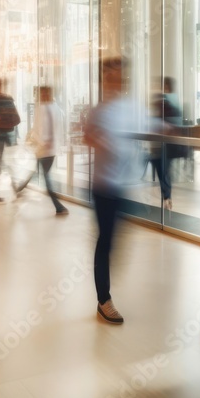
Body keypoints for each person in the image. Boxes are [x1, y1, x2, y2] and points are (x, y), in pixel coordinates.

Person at [84, 57, 141, 324]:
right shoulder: (99, 110)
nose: (117, 81)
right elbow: (88, 135)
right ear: (104, 79)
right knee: (105, 242)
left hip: (123, 185)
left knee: (112, 242)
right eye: (112, 76)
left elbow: (146, 128)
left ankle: (104, 290)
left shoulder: (128, 107)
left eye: (120, 76)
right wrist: (102, 139)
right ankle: (103, 300)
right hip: (103, 186)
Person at [16, 86, 68, 215]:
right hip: (43, 148)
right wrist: (41, 143)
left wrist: (55, 144)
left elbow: (57, 128)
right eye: (42, 94)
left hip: (50, 149)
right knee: (45, 175)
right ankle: (58, 206)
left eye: (46, 93)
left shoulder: (54, 109)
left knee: (40, 171)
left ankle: (20, 187)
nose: (44, 96)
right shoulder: (42, 108)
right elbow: (36, 128)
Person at [149, 77, 183, 210]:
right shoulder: (159, 101)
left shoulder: (169, 103)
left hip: (166, 145)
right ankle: (166, 197)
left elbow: (173, 123)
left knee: (164, 171)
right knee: (162, 170)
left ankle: (167, 197)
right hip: (158, 143)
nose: (163, 89)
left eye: (166, 87)